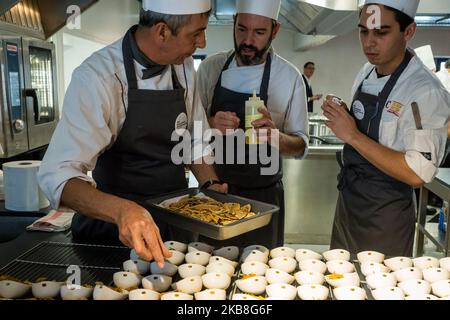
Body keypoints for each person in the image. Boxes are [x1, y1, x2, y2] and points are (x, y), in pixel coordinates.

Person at [38, 0, 227, 267]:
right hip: (112, 234)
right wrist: (123, 210)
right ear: (162, 32)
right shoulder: (98, 77)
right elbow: (56, 176)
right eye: (195, 33)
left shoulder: (184, 66)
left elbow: (195, 139)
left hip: (173, 226)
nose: (203, 42)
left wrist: (210, 186)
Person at [322, 0, 450, 256]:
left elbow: (417, 173)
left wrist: (353, 135)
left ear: (409, 31)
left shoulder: (424, 91)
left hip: (385, 216)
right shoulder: (367, 71)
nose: (369, 42)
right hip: (349, 205)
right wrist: (344, 115)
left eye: (381, 32)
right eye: (363, 31)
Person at [196, 0, 308, 248]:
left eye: (259, 33)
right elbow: (189, 133)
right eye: (242, 29)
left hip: (264, 197)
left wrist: (275, 136)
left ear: (275, 30)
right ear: (233, 23)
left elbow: (300, 145)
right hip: (217, 190)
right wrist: (211, 124)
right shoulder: (210, 68)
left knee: (261, 270)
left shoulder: (289, 78)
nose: (248, 41)